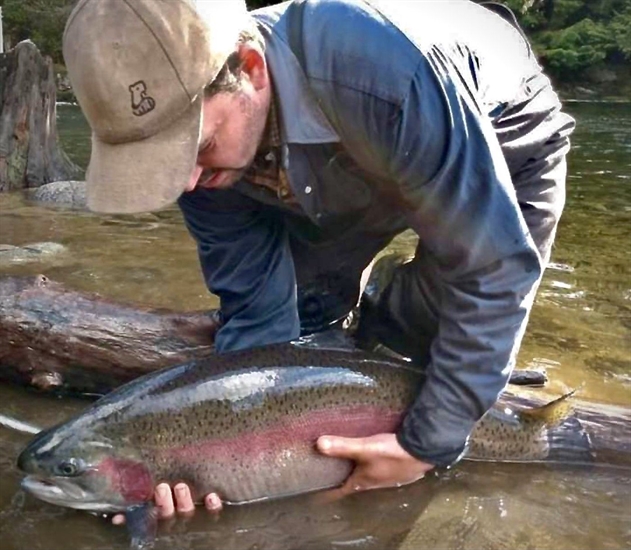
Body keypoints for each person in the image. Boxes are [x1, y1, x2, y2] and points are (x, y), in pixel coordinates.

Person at [62, 0, 575, 520]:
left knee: (436, 347)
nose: (186, 182)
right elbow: (258, 325)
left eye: (199, 146)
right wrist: (222, 462)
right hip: (333, 154)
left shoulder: (387, 74)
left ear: (251, 68)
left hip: (498, 129)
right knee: (314, 323)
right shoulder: (203, 164)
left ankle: (407, 314)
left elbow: (493, 269)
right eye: (162, 165)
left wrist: (424, 446)